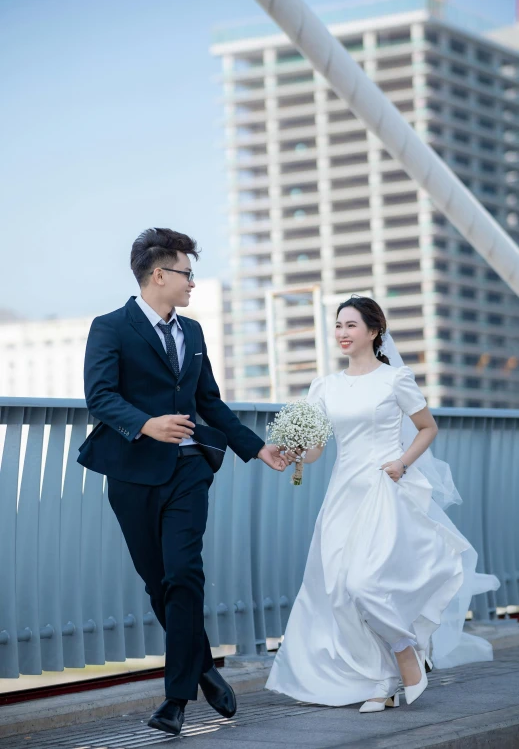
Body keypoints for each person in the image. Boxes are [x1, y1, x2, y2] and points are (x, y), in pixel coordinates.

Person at [78, 228, 286, 737]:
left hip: (189, 469)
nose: (193, 282)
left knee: (185, 575)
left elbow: (209, 401)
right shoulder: (110, 328)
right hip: (131, 473)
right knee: (159, 582)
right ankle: (204, 666)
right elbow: (100, 396)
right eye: (187, 273)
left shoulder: (192, 333)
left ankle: (175, 700)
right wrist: (146, 424)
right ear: (158, 275)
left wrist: (257, 447)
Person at [267, 296, 498, 712]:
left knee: (363, 583)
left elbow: (427, 428)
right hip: (342, 494)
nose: (342, 333)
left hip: (383, 488)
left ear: (374, 332)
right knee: (338, 590)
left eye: (351, 325)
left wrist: (402, 463)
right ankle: (382, 678)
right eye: (338, 325)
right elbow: (318, 450)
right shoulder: (325, 386)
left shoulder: (395, 380)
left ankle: (405, 650)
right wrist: (293, 451)